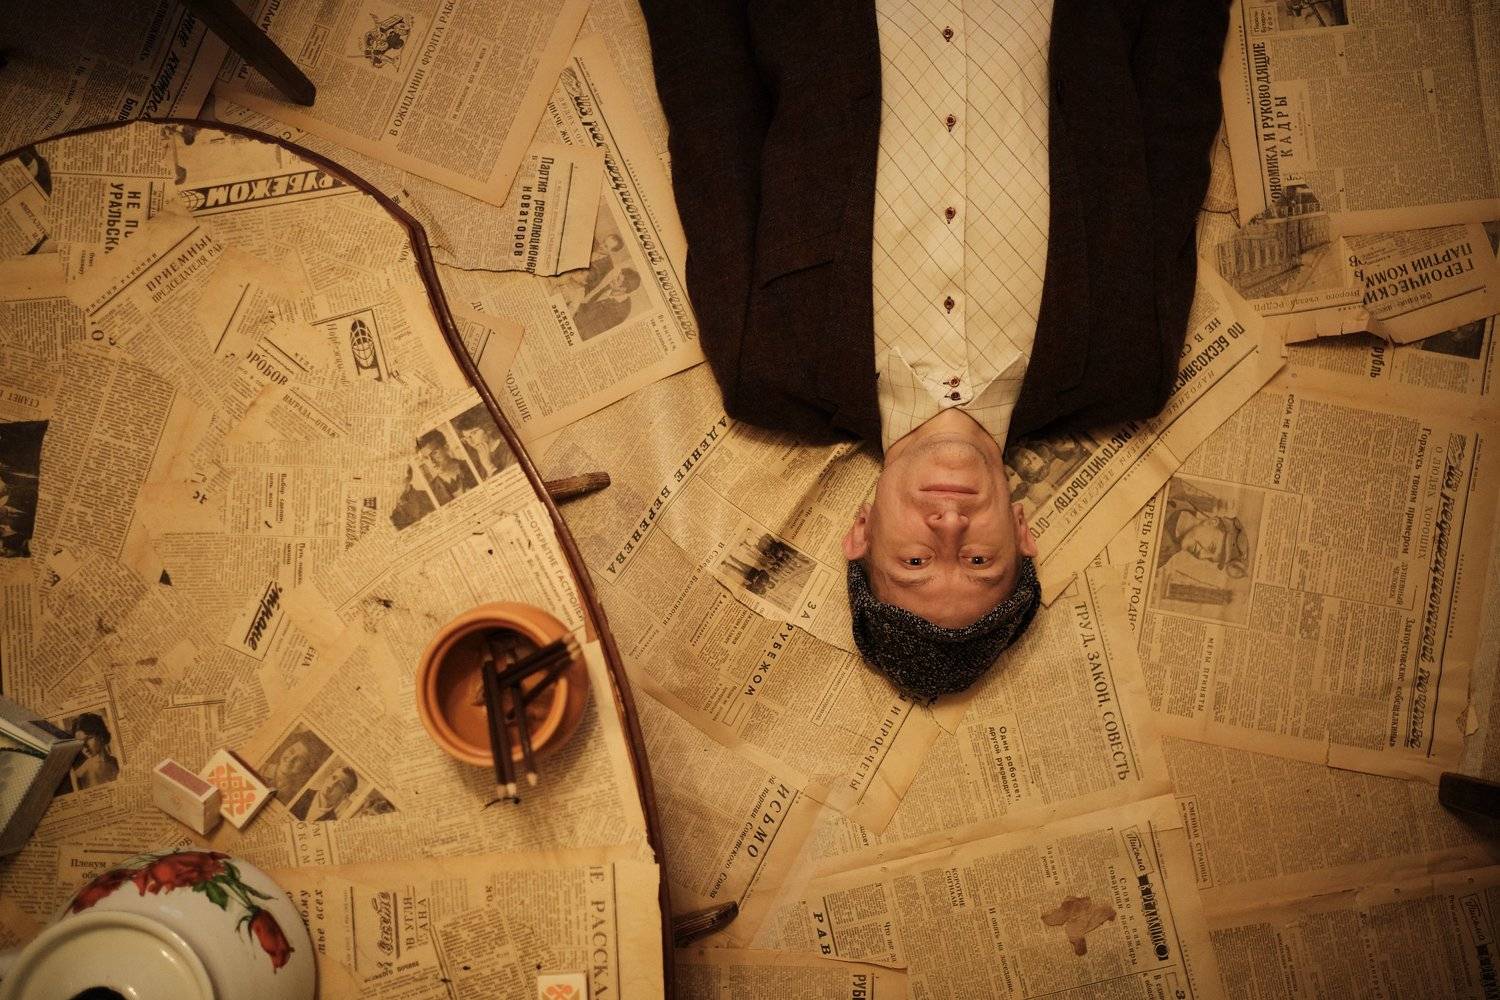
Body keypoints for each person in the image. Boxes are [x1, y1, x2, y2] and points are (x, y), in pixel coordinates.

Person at [642, 0, 1228, 699]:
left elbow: (713, 130)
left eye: (916, 561)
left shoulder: (765, 367)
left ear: (861, 534)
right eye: (979, 560)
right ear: (1023, 535)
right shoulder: (1126, 364)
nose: (949, 525)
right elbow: (1174, 124)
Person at [415, 429, 476, 505]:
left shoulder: (474, 465)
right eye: (426, 458)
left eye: (434, 453)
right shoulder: (431, 492)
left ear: (446, 448)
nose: (431, 461)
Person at [69, 713, 120, 789]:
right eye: (80, 742)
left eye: (88, 738)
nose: (84, 746)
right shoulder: (79, 775)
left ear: (101, 736)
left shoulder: (117, 763)